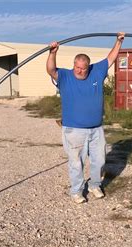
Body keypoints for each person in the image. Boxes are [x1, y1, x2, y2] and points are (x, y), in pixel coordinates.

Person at [46, 32, 125, 203]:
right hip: (74, 130)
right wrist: (53, 52)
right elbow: (51, 69)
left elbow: (110, 58)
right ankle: (76, 191)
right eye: (77, 67)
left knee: (99, 160)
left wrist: (118, 41)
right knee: (76, 163)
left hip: (96, 129)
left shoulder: (96, 72)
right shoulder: (65, 76)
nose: (80, 71)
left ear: (88, 66)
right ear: (73, 65)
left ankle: (95, 185)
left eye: (83, 68)